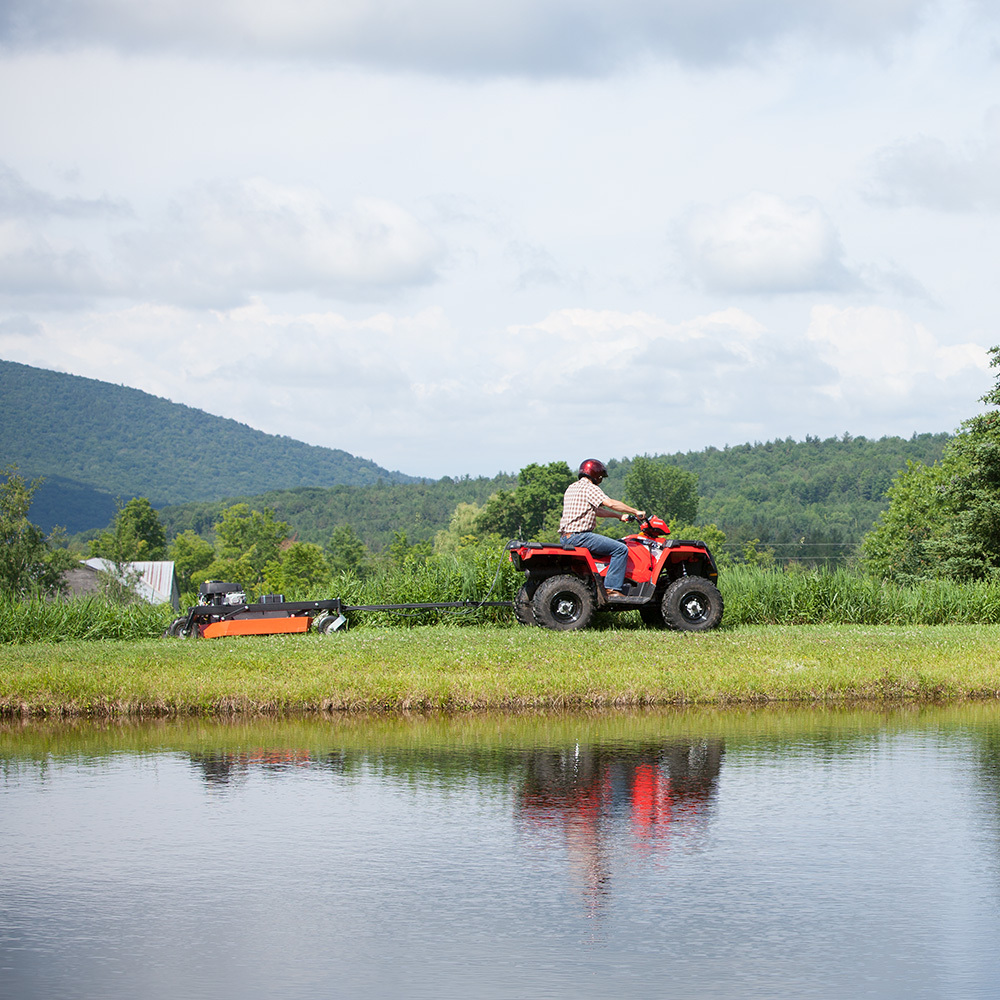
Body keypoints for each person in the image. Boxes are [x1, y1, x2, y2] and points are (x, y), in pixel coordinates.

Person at [559, 459, 645, 600]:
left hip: (566, 537)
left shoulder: (572, 487)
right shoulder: (590, 488)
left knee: (615, 545)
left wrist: (619, 516)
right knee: (620, 549)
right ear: (596, 475)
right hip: (580, 537)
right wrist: (635, 511)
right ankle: (612, 589)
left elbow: (597, 511)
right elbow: (610, 503)